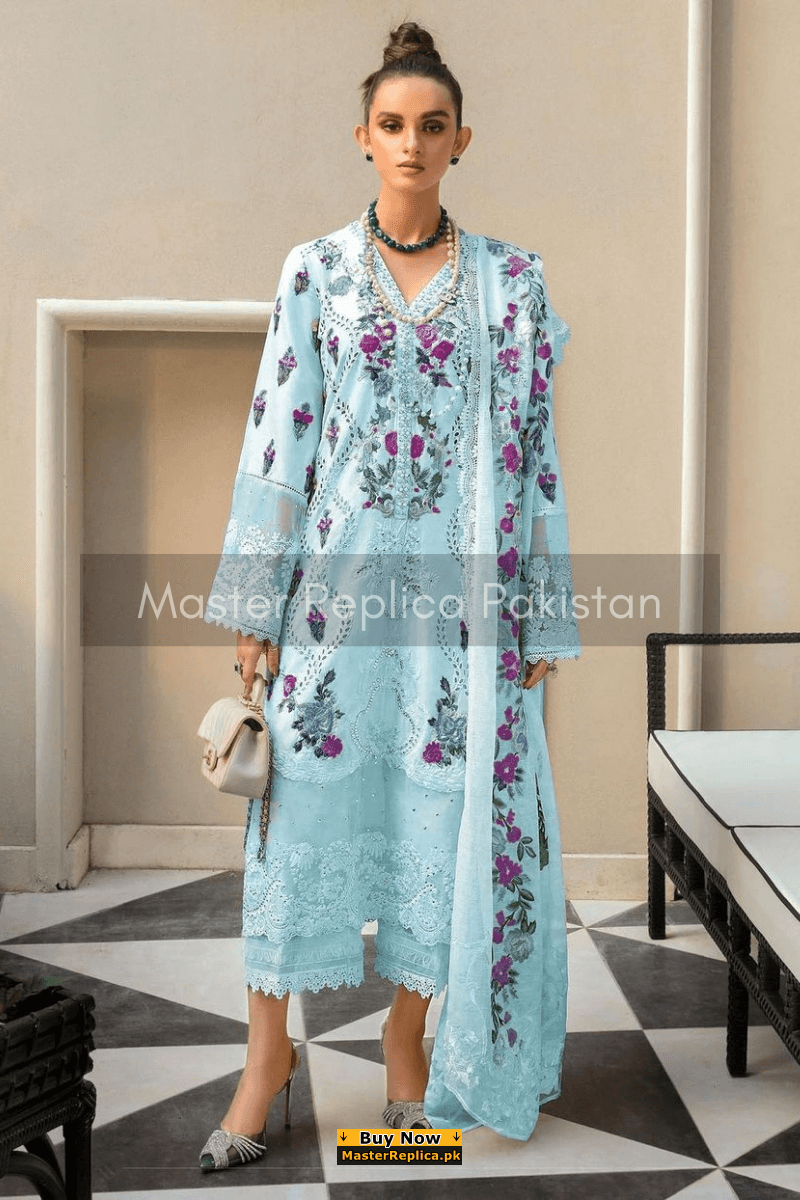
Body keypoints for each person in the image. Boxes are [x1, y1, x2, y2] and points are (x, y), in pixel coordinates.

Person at [199, 19, 581, 1172]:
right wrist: (255, 611)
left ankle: (406, 1046)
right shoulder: (313, 272)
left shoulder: (510, 284)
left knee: (440, 828)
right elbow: (277, 438)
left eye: (431, 126)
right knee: (290, 830)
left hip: (455, 622)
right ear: (361, 138)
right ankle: (266, 1060)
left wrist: (540, 613)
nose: (410, 144)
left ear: (461, 140)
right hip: (332, 602)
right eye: (390, 125)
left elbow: (535, 457)